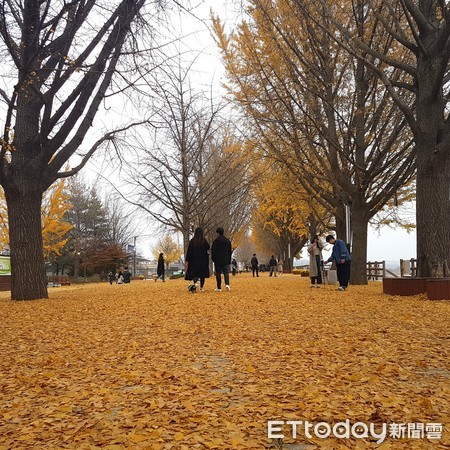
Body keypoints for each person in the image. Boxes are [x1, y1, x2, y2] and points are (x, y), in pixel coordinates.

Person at [185, 227, 210, 292]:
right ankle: (201, 287)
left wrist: (187, 259)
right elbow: (208, 247)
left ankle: (195, 283)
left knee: (195, 273)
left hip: (194, 260)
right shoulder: (204, 241)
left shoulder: (192, 241)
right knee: (202, 274)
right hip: (203, 260)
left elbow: (189, 251)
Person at [211, 227, 232, 291]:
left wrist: (213, 259)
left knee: (218, 273)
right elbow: (229, 251)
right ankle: (227, 284)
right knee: (226, 273)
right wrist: (229, 259)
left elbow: (213, 251)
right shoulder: (227, 241)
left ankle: (219, 287)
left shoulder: (215, 241)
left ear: (218, 233)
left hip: (218, 259)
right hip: (225, 259)